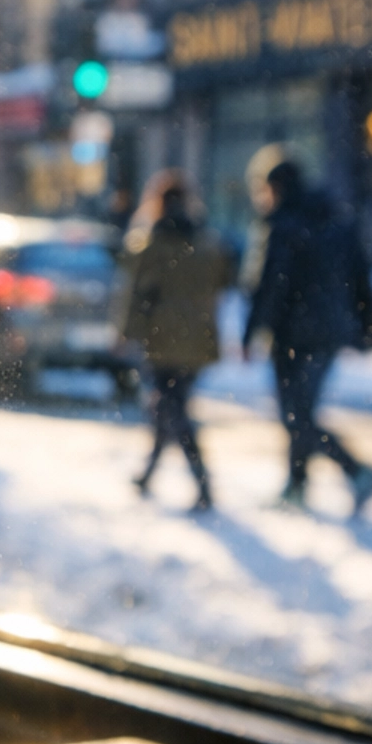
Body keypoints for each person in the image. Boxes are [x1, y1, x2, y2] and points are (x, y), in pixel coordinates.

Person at [243, 154, 372, 513]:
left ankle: (357, 471)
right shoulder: (335, 220)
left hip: (292, 335)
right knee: (299, 412)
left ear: (276, 188)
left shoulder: (284, 226)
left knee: (297, 414)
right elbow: (361, 276)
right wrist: (369, 326)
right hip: (328, 332)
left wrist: (252, 331)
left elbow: (270, 285)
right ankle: (298, 485)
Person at [119, 170, 230, 513]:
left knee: (172, 409)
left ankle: (203, 484)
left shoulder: (150, 244)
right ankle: (151, 474)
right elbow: (223, 280)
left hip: (163, 339)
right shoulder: (207, 241)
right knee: (168, 407)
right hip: (198, 340)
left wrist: (126, 334)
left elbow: (137, 295)